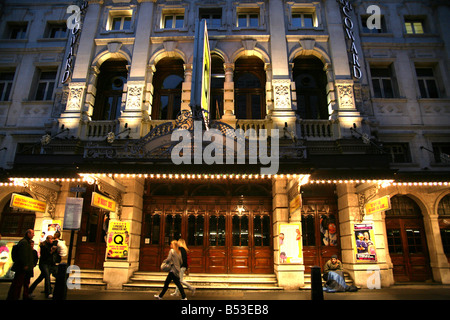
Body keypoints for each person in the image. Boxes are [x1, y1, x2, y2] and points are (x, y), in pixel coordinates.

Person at [6, 229, 35, 300]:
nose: (33, 235)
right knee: (18, 283)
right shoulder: (24, 242)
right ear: (28, 234)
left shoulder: (26, 242)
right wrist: (25, 264)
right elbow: (23, 255)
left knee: (21, 283)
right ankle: (14, 296)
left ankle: (16, 296)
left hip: (24, 267)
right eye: (32, 233)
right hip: (22, 267)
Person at [29, 235, 56, 299]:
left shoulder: (50, 245)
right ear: (48, 239)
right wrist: (52, 251)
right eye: (51, 239)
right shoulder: (44, 245)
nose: (52, 240)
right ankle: (49, 292)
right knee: (47, 277)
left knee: (40, 278)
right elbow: (46, 254)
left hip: (48, 264)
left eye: (52, 239)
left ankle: (30, 290)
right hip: (44, 264)